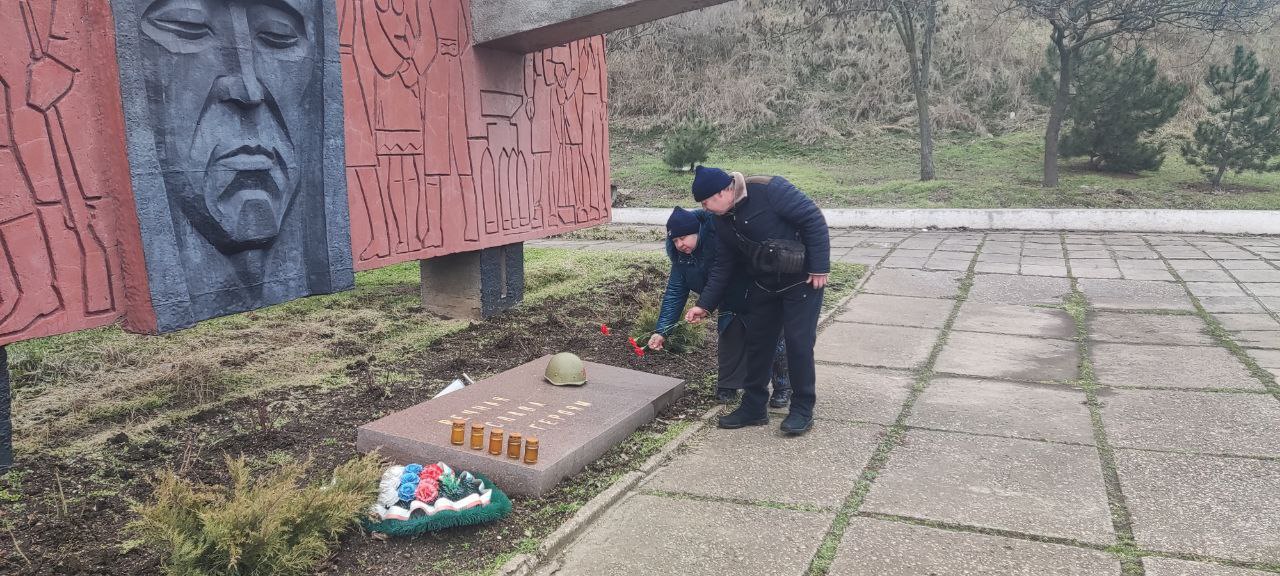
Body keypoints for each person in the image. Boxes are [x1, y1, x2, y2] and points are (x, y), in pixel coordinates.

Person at [684, 166, 830, 436]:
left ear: (724, 191)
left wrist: (819, 266)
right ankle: (754, 406)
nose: (705, 208)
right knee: (758, 343)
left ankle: (802, 408)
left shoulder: (770, 189)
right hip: (764, 283)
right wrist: (704, 304)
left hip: (802, 281)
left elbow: (813, 218)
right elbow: (724, 265)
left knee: (798, 344)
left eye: (706, 202)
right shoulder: (721, 219)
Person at [648, 207, 791, 408]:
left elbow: (720, 277)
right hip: (727, 301)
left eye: (684, 238)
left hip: (757, 293)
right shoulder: (681, 261)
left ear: (698, 231)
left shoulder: (719, 242)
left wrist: (704, 305)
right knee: (729, 338)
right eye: (675, 241)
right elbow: (674, 293)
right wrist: (662, 331)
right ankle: (728, 385)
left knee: (773, 340)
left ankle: (783, 387)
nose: (680, 244)